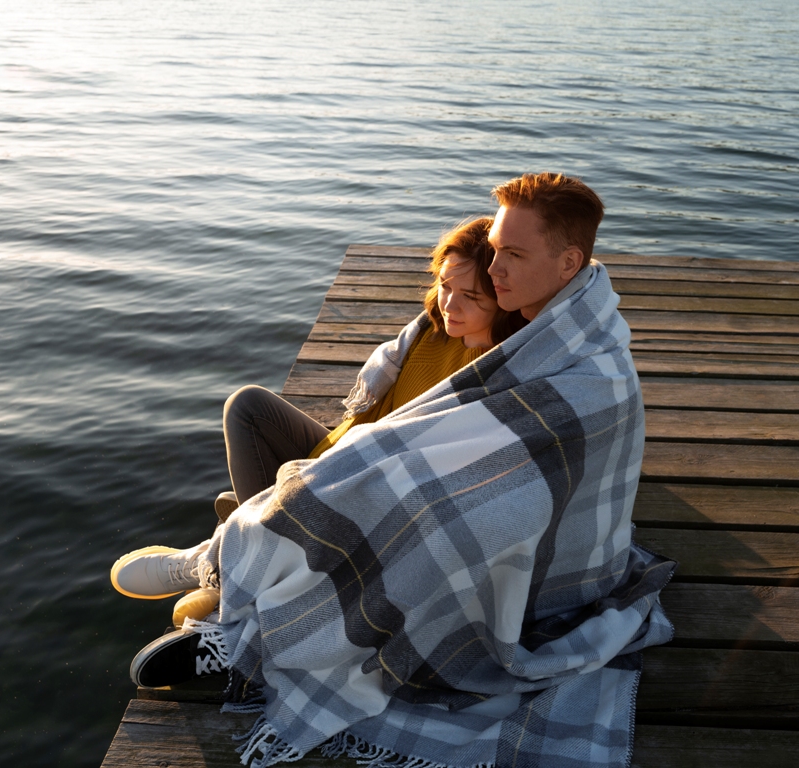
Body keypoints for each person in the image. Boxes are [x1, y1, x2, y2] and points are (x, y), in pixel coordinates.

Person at [110, 173, 674, 768]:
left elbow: (530, 470)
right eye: (495, 248)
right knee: (357, 476)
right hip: (484, 497)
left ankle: (243, 600)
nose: (495, 263)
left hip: (547, 571)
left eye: (512, 253)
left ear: (568, 262)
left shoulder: (585, 363)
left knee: (415, 511)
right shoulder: (537, 325)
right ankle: (239, 568)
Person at [110, 216, 522, 604]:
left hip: (370, 490)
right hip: (340, 454)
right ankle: (250, 537)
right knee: (248, 405)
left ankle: (228, 555)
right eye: (446, 285)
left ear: (503, 298)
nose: (450, 304)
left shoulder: (496, 373)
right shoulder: (428, 332)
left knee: (267, 491)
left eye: (471, 296)